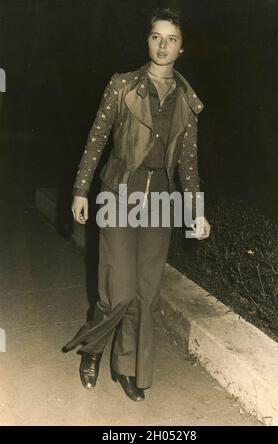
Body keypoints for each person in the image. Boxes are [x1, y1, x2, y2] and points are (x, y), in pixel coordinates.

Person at [63, 7, 211, 402]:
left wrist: (196, 210)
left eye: (172, 39)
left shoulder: (186, 101)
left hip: (161, 202)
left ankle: (127, 367)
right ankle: (92, 349)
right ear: (147, 40)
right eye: (156, 37)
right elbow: (97, 139)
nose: (162, 46)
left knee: (146, 292)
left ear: (182, 47)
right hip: (118, 194)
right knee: (120, 290)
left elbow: (189, 164)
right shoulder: (122, 86)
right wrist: (81, 189)